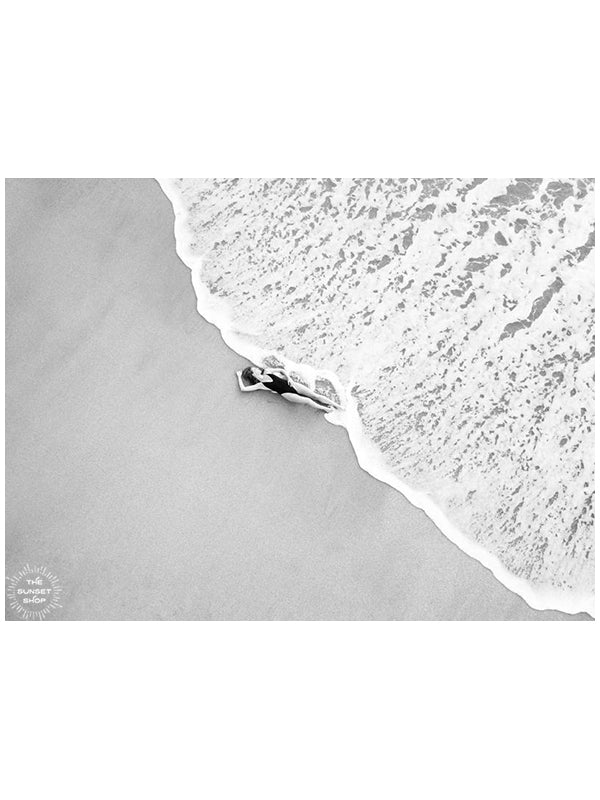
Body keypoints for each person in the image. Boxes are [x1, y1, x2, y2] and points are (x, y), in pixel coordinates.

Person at [236, 365, 340, 411]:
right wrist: (239, 376)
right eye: (254, 369)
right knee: (308, 401)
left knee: (315, 395)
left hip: (292, 384)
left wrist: (289, 378)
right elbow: (243, 389)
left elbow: (281, 370)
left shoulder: (267, 371)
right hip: (287, 394)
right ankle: (326, 408)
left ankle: (337, 406)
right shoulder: (261, 385)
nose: (257, 369)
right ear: (253, 374)